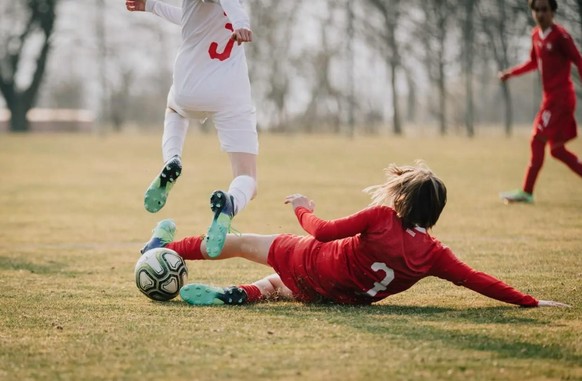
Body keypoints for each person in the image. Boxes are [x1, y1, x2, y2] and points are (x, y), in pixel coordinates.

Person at [140, 163, 569, 308]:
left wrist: (303, 204)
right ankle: (241, 294)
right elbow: (478, 279)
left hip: (307, 259)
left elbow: (323, 232)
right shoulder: (436, 255)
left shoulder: (382, 217)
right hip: (338, 296)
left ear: (401, 197)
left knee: (237, 242)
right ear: (435, 212)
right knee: (276, 287)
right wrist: (529, 300)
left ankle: (163, 248)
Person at [126, 0, 258, 257]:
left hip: (191, 86)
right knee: (248, 178)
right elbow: (190, 14)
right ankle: (229, 205)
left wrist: (241, 22)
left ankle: (172, 158)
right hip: (232, 92)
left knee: (174, 111)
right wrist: (152, 6)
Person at [498, 0, 582, 204]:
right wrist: (511, 73)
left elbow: (578, 60)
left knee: (537, 139)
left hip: (561, 99)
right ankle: (526, 192)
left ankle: (526, 192)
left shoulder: (560, 36)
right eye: (536, 10)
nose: (540, 13)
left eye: (545, 9)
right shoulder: (536, 35)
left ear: (553, 12)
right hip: (550, 99)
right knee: (557, 150)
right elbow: (533, 62)